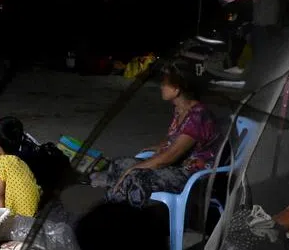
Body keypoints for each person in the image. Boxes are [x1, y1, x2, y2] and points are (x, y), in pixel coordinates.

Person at [92, 61, 221, 207]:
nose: (161, 87)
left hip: (190, 174)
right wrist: (160, 146)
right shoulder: (180, 109)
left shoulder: (198, 117)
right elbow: (175, 138)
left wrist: (135, 168)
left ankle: (115, 211)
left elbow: (168, 158)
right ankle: (115, 200)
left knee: (135, 177)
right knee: (119, 164)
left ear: (176, 89)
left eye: (165, 84)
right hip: (175, 165)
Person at [0, 116, 40, 217]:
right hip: (33, 212)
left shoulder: (2, 161)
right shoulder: (21, 162)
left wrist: (0, 220)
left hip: (18, 217)